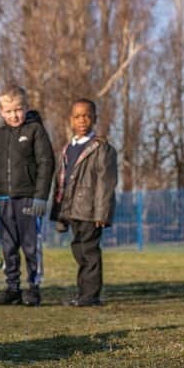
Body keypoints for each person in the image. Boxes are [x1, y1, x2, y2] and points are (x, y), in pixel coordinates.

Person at [0, 85, 55, 306]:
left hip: (29, 200)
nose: (14, 115)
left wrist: (41, 196)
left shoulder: (35, 131)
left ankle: (33, 287)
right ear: (1, 112)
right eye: (9, 111)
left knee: (31, 245)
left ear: (26, 108)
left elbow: (46, 163)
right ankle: (12, 287)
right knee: (8, 246)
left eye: (19, 109)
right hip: (3, 201)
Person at [50, 99, 118, 307]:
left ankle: (90, 295)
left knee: (89, 252)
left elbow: (106, 183)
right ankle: (83, 294)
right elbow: (61, 181)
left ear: (95, 118)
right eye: (77, 116)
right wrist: (58, 212)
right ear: (71, 120)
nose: (82, 120)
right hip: (72, 211)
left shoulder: (101, 148)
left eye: (87, 115)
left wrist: (102, 213)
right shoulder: (67, 149)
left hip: (90, 211)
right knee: (78, 251)